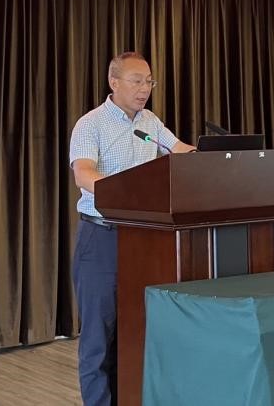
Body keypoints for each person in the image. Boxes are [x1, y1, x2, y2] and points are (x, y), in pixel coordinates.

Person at [69, 52, 195, 406]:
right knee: (98, 337)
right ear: (114, 82)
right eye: (137, 81)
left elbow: (179, 150)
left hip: (142, 238)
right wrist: (124, 191)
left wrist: (214, 157)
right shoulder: (91, 124)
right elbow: (83, 173)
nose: (144, 89)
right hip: (102, 238)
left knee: (134, 332)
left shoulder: (150, 121)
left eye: (149, 82)